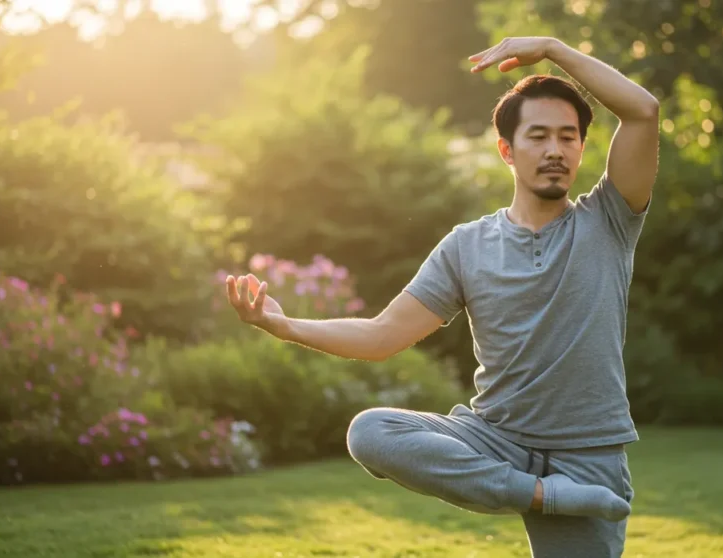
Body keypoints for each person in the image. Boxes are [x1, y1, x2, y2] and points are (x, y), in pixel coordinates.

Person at [225, 35, 659, 558]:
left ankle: (557, 494)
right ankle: (543, 496)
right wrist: (285, 325)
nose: (554, 150)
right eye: (538, 136)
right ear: (507, 149)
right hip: (493, 440)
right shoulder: (467, 246)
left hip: (586, 454)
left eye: (568, 138)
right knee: (370, 432)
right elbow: (383, 336)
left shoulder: (608, 221)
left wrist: (551, 47)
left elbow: (643, 112)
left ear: (582, 149)